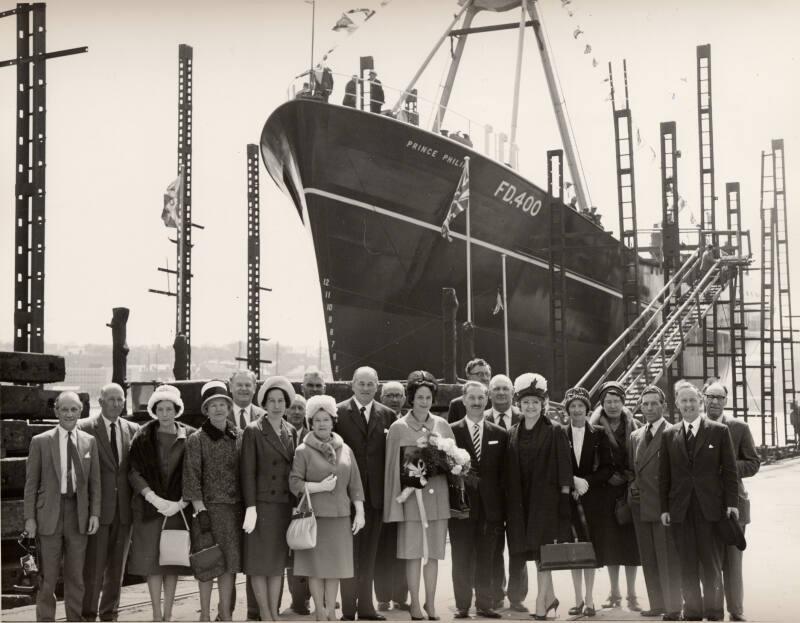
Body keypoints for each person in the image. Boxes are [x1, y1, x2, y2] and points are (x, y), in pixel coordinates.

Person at [660, 380, 739, 622]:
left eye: (693, 400)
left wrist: (731, 503)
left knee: (711, 564)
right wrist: (665, 508)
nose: (688, 404)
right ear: (677, 404)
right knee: (687, 564)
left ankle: (714, 612)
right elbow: (665, 475)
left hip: (710, 509)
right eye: (684, 401)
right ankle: (692, 612)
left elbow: (730, 471)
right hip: (681, 510)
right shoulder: (669, 434)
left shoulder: (718, 431)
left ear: (701, 402)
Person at [24, 391, 101, 622]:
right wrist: (30, 518)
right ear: (56, 411)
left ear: (81, 412)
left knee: (76, 575)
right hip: (49, 515)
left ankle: (74, 618)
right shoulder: (41, 441)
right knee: (47, 576)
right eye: (64, 409)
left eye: (74, 409)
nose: (69, 414)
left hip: (78, 514)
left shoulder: (89, 441)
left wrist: (95, 513)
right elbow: (31, 483)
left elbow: (95, 482)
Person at [384, 370, 454, 621]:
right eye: (419, 397)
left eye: (428, 397)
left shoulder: (442, 425)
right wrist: (394, 507)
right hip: (411, 502)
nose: (424, 402)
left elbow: (453, 461)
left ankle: (431, 603)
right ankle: (414, 602)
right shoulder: (398, 428)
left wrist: (452, 464)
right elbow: (392, 471)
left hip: (437, 500)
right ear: (411, 398)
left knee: (433, 554)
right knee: (413, 554)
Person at [290, 395, 366, 621]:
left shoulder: (346, 450)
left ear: (333, 421)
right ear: (310, 423)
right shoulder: (303, 450)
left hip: (340, 517)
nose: (322, 424)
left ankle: (332, 611)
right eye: (317, 420)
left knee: (335, 568)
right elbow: (294, 483)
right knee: (315, 568)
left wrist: (359, 512)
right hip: (315, 518)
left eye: (326, 419)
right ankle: (320, 612)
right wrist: (318, 487)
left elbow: (355, 485)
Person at [504, 373, 572, 620]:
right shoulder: (512, 432)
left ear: (543, 404)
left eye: (535, 402)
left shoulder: (555, 431)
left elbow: (565, 469)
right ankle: (551, 598)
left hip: (546, 503)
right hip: (520, 504)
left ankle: (540, 603)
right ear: (518, 405)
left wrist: (564, 503)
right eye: (525, 403)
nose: (530, 407)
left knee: (543, 553)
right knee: (532, 553)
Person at [128, 385, 193, 622]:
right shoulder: (142, 436)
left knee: (171, 561)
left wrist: (182, 503)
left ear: (177, 410)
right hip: (149, 508)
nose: (165, 413)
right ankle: (156, 614)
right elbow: (133, 472)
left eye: (170, 409)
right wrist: (152, 497)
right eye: (160, 409)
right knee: (152, 562)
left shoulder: (190, 435)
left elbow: (195, 473)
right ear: (154, 410)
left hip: (177, 508)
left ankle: (169, 613)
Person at [335, 366, 395, 620]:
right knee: (348, 552)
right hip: (346, 497)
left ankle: (367, 607)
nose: (366, 388)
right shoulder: (337, 413)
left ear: (377, 386)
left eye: (371, 384)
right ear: (352, 385)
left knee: (370, 553)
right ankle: (348, 607)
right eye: (361, 383)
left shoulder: (388, 415)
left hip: (376, 497)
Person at [78, 383, 139, 622]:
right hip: (97, 512)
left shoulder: (133, 429)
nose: (116, 404)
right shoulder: (85, 428)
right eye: (111, 399)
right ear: (100, 402)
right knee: (93, 568)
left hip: (124, 512)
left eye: (120, 399)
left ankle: (109, 614)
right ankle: (88, 614)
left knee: (117, 568)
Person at [241, 376, 299, 621]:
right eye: (271, 401)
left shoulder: (291, 430)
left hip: (283, 506)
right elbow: (247, 472)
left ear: (286, 404)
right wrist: (251, 507)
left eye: (281, 401)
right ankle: (265, 613)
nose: (276, 405)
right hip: (262, 505)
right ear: (264, 403)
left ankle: (273, 611)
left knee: (276, 563)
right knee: (257, 562)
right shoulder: (253, 430)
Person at [183, 381, 243, 621]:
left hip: (233, 512)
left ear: (229, 408)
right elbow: (191, 476)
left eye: (223, 404)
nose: (218, 409)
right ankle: (205, 616)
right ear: (206, 410)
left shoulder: (239, 436)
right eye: (213, 405)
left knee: (229, 566)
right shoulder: (196, 439)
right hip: (207, 512)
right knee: (208, 565)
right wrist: (200, 510)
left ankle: (225, 615)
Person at [703, 379, 760, 622]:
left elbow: (754, 462)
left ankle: (736, 610)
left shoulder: (739, 427)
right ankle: (713, 610)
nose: (714, 401)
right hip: (703, 506)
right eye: (710, 397)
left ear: (726, 401)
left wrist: (726, 467)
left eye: (719, 398)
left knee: (733, 561)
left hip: (734, 504)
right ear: (703, 398)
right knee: (709, 560)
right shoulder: (695, 426)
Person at [450, 381, 507, 619]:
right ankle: (462, 605)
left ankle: (485, 604)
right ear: (463, 400)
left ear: (487, 400)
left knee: (487, 557)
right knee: (461, 556)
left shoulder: (500, 433)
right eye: (471, 398)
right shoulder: (450, 431)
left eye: (480, 398)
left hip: (490, 508)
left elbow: (505, 475)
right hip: (461, 507)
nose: (476, 403)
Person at [628, 386, 682, 621]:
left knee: (667, 558)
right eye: (645, 404)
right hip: (641, 505)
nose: (649, 408)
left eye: (654, 403)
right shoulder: (636, 435)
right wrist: (632, 488)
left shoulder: (674, 433)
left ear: (664, 406)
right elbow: (633, 469)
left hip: (663, 507)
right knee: (648, 557)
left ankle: (673, 607)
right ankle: (657, 604)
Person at [588, 381, 642, 611]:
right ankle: (614, 592)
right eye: (608, 401)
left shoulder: (635, 425)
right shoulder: (594, 428)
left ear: (623, 402)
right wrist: (608, 477)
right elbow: (590, 461)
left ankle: (632, 594)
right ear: (602, 403)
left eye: (616, 401)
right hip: (606, 491)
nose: (612, 405)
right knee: (610, 544)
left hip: (629, 490)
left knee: (631, 544)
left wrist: (629, 476)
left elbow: (641, 458)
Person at [563, 386, 612, 618]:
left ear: (587, 408)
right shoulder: (560, 433)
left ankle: (591, 598)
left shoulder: (599, 434)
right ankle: (577, 598)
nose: (576, 410)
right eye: (572, 406)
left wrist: (586, 483)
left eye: (580, 406)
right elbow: (557, 465)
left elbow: (607, 468)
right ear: (567, 410)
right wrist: (572, 482)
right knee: (574, 550)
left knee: (590, 549)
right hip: (568, 499)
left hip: (592, 501)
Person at [226, 369, 263, 620]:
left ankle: (255, 610)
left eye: (248, 385)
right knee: (227, 561)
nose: (243, 389)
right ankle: (225, 611)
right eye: (238, 385)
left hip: (257, 499)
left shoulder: (265, 416)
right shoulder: (217, 413)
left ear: (255, 387)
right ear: (230, 387)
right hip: (227, 500)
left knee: (256, 556)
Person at [483, 374, 522, 610]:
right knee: (493, 547)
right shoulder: (482, 418)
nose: (500, 393)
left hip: (518, 495)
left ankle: (517, 597)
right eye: (496, 389)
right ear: (489, 393)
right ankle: (496, 593)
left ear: (512, 393)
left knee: (519, 547)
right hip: (493, 496)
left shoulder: (524, 415)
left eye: (505, 389)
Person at [375, 381, 409, 612]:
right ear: (381, 396)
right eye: (390, 395)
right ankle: (384, 596)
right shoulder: (378, 419)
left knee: (404, 546)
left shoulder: (409, 421)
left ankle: (401, 595)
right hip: (382, 492)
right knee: (383, 547)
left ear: (405, 398)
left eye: (399, 395)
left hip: (406, 492)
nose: (395, 399)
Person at [284, 393, 311, 615]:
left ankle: (304, 599)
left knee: (306, 547)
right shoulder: (280, 433)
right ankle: (296, 598)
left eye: (300, 408)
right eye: (292, 408)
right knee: (290, 551)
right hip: (284, 500)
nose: (295, 412)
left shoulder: (313, 436)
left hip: (308, 499)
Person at [447, 358, 492, 423]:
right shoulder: (456, 405)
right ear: (469, 376)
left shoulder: (494, 402)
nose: (485, 378)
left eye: (487, 374)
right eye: (480, 374)